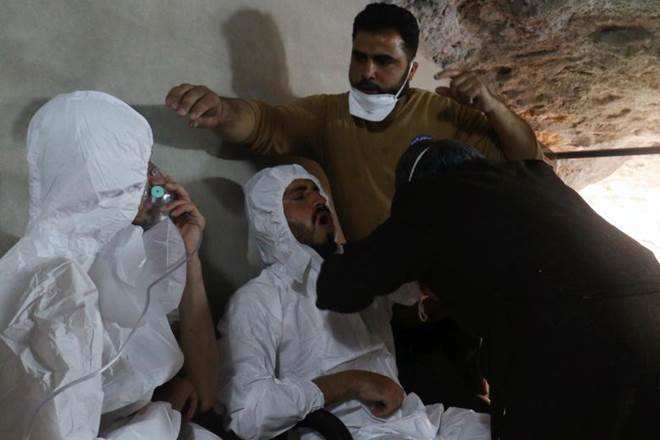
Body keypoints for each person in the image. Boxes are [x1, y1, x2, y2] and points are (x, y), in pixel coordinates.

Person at [315, 139, 660, 439]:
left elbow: (341, 287)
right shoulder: (534, 177)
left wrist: (330, 251)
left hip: (573, 346)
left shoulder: (431, 197)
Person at [164, 2, 543, 242]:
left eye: (384, 62)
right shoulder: (327, 115)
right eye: (359, 57)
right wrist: (222, 110)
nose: (367, 72)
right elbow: (266, 124)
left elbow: (527, 161)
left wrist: (493, 106)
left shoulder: (445, 113)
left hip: (447, 299)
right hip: (376, 298)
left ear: (411, 71)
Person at [0, 91, 219, 440]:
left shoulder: (113, 265)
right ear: (105, 178)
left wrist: (187, 255)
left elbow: (205, 392)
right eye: (142, 168)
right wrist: (158, 416)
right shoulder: (54, 287)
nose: (156, 181)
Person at [215, 164, 491, 440]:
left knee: (505, 427)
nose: (318, 199)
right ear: (270, 219)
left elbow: (416, 282)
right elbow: (247, 413)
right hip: (351, 435)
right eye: (299, 196)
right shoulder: (257, 300)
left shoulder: (353, 271)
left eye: (317, 192)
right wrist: (349, 382)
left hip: (415, 420)